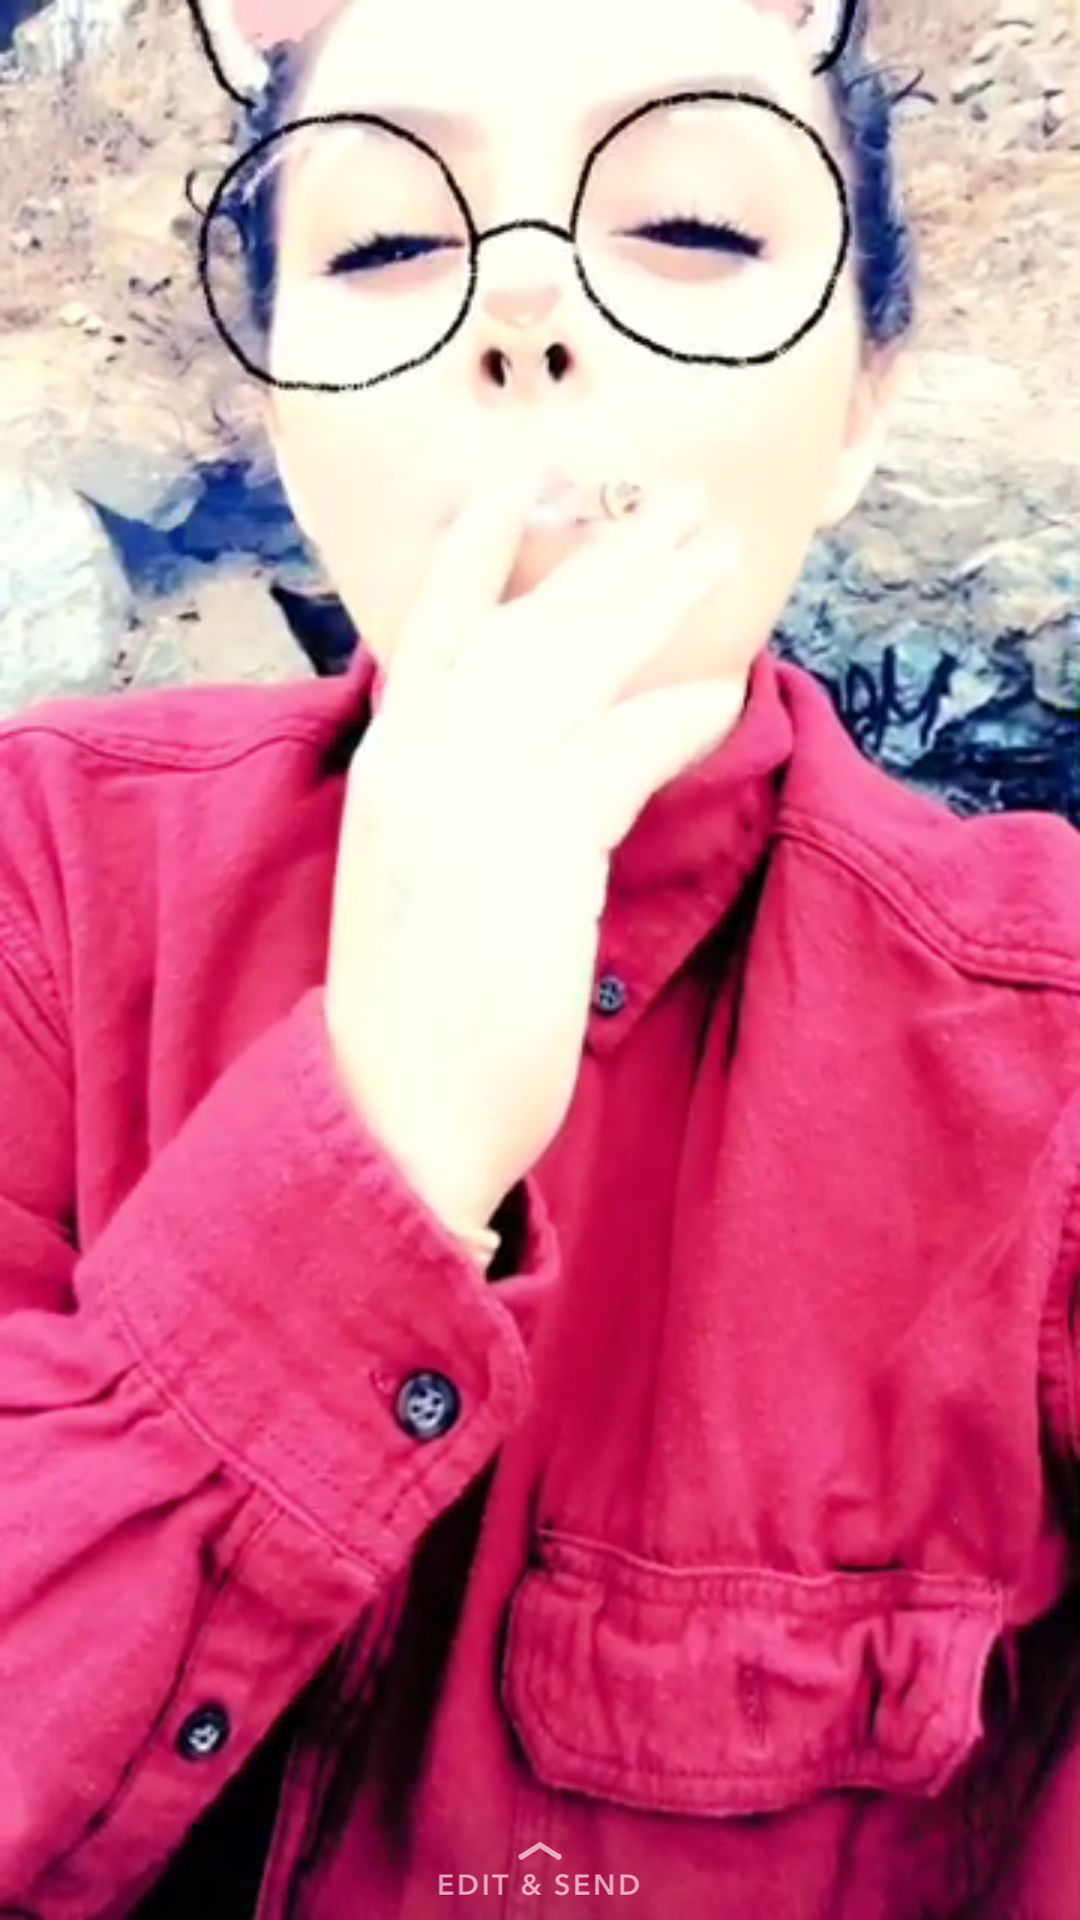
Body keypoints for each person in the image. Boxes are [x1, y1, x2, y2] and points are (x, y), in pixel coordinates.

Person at [2, 0, 1080, 1915]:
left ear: (860, 408)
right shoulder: (42, 883)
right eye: (386, 244)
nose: (525, 310)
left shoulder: (1047, 1043)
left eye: (690, 225)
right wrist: (385, 1137)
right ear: (282, 413)